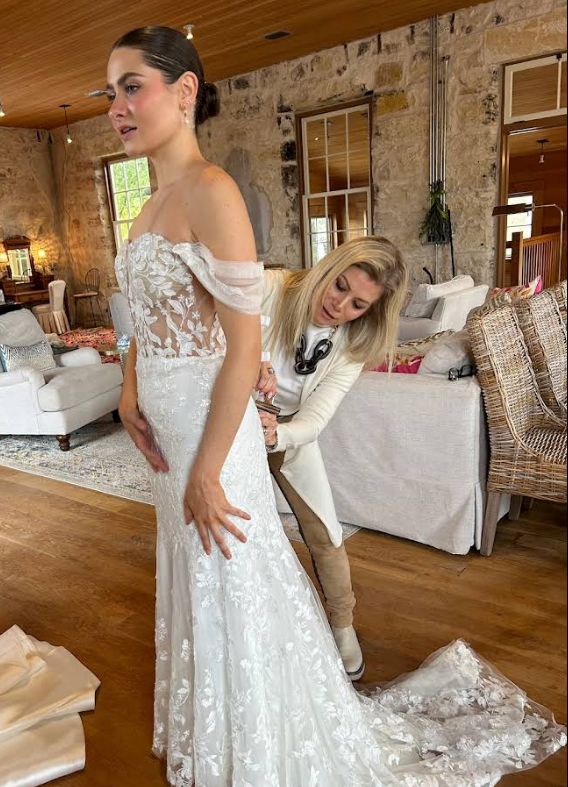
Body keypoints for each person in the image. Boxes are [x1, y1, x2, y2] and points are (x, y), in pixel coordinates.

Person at [110, 26, 565, 787]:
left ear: (183, 92)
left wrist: (219, 462)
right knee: (202, 573)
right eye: (111, 90)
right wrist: (129, 388)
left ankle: (316, 679)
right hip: (184, 427)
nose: (117, 106)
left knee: (283, 556)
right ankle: (224, 721)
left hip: (237, 440)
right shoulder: (162, 215)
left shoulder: (212, 192)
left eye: (133, 87)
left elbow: (257, 370)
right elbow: (162, 326)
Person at [254, 237, 405, 681]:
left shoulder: (354, 344)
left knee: (325, 531)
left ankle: (342, 628)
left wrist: (278, 432)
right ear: (328, 267)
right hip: (230, 418)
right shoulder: (271, 288)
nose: (339, 306)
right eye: (339, 286)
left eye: (357, 304)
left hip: (291, 430)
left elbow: (316, 418)